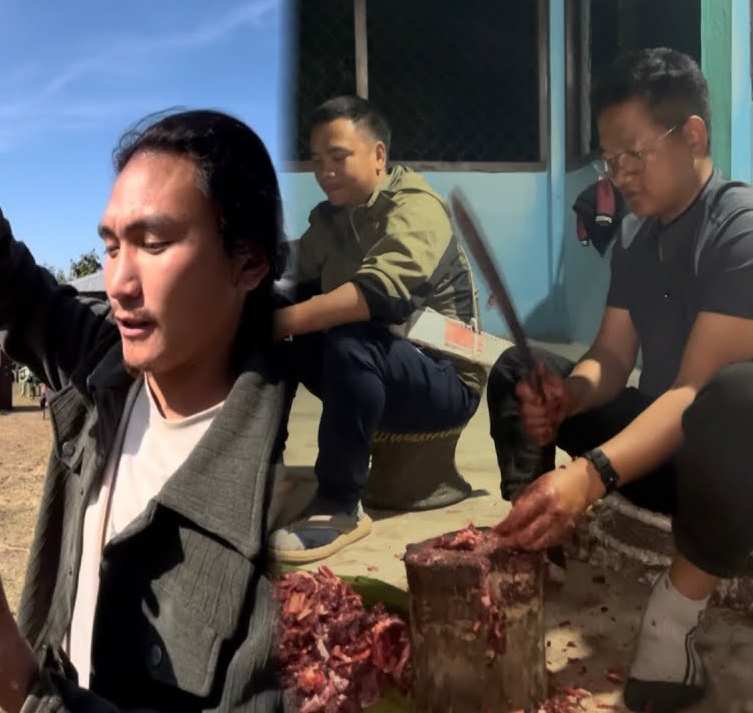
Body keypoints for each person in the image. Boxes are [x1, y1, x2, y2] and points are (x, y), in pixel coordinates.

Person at [0, 110, 293, 711]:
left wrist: (28, 693)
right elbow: (26, 299)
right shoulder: (105, 374)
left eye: (153, 244)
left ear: (249, 262)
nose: (120, 282)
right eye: (110, 246)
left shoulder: (291, 497)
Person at [487, 48, 753, 712]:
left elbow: (694, 394)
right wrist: (569, 394)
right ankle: (535, 538)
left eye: (634, 154)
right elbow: (610, 353)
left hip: (732, 467)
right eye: (611, 160)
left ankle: (675, 614)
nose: (620, 176)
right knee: (522, 367)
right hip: (670, 450)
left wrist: (589, 475)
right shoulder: (637, 234)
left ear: (692, 134)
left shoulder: (739, 229)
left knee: (736, 396)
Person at [269, 95, 484, 564]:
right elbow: (293, 264)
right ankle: (268, 468)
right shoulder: (333, 217)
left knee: (349, 335)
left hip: (445, 380)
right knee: (283, 327)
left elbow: (379, 296)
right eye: (317, 160)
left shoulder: (416, 207)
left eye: (339, 157)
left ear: (378, 155)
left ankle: (340, 505)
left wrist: (277, 321)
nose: (325, 171)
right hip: (387, 361)